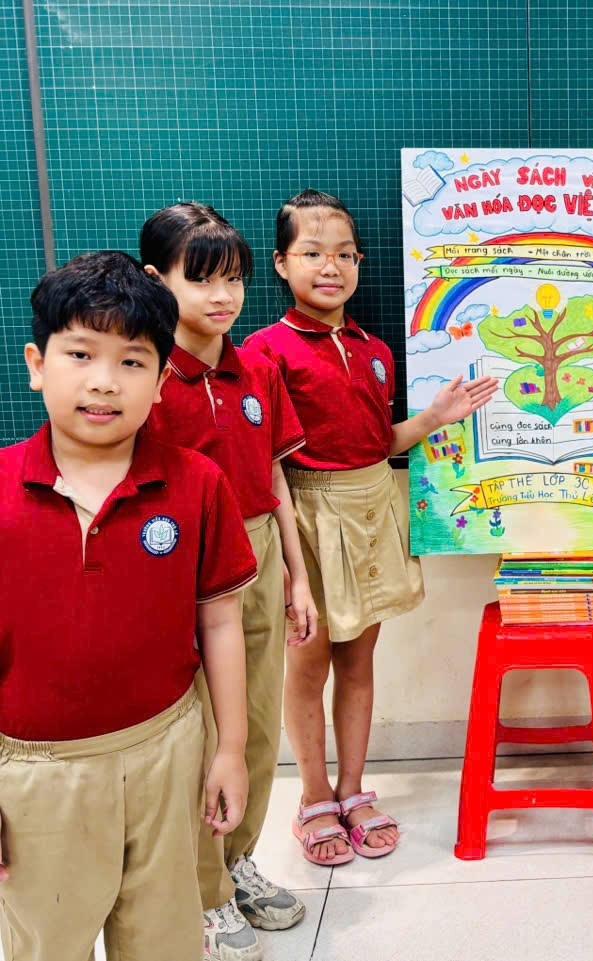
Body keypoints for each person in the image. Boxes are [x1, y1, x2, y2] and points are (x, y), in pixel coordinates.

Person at [0, 251, 255, 960]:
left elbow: (220, 622)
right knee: (48, 940)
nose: (104, 381)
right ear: (37, 363)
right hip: (36, 773)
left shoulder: (197, 484)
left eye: (133, 361)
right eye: (80, 353)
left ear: (162, 380)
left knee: (164, 936)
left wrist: (230, 750)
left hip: (168, 752)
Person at [243, 189, 496, 865]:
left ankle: (353, 789)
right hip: (307, 519)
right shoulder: (265, 353)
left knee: (359, 661)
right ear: (280, 263)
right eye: (313, 253)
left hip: (372, 506)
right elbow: (267, 464)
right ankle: (313, 795)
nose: (332, 267)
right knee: (308, 663)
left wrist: (434, 417)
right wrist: (290, 565)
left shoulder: (374, 349)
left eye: (346, 255)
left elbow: (378, 442)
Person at [141, 202, 315, 960]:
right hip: (182, 568)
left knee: (257, 725)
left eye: (235, 280)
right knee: (202, 735)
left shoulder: (259, 371)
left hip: (261, 551)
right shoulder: (144, 377)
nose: (223, 297)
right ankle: (204, 888)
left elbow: (276, 480)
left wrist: (298, 578)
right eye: (202, 279)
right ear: (157, 281)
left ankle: (238, 859)